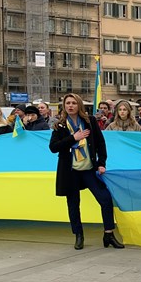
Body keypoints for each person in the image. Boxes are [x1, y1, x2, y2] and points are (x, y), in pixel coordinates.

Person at [49, 93, 123, 250]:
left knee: (105, 198)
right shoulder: (59, 125)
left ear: (79, 105)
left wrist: (101, 163)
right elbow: (53, 148)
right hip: (70, 171)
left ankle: (108, 234)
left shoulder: (90, 121)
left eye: (73, 103)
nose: (70, 106)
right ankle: (79, 235)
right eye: (67, 103)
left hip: (88, 169)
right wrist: (74, 138)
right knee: (74, 204)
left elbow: (101, 143)